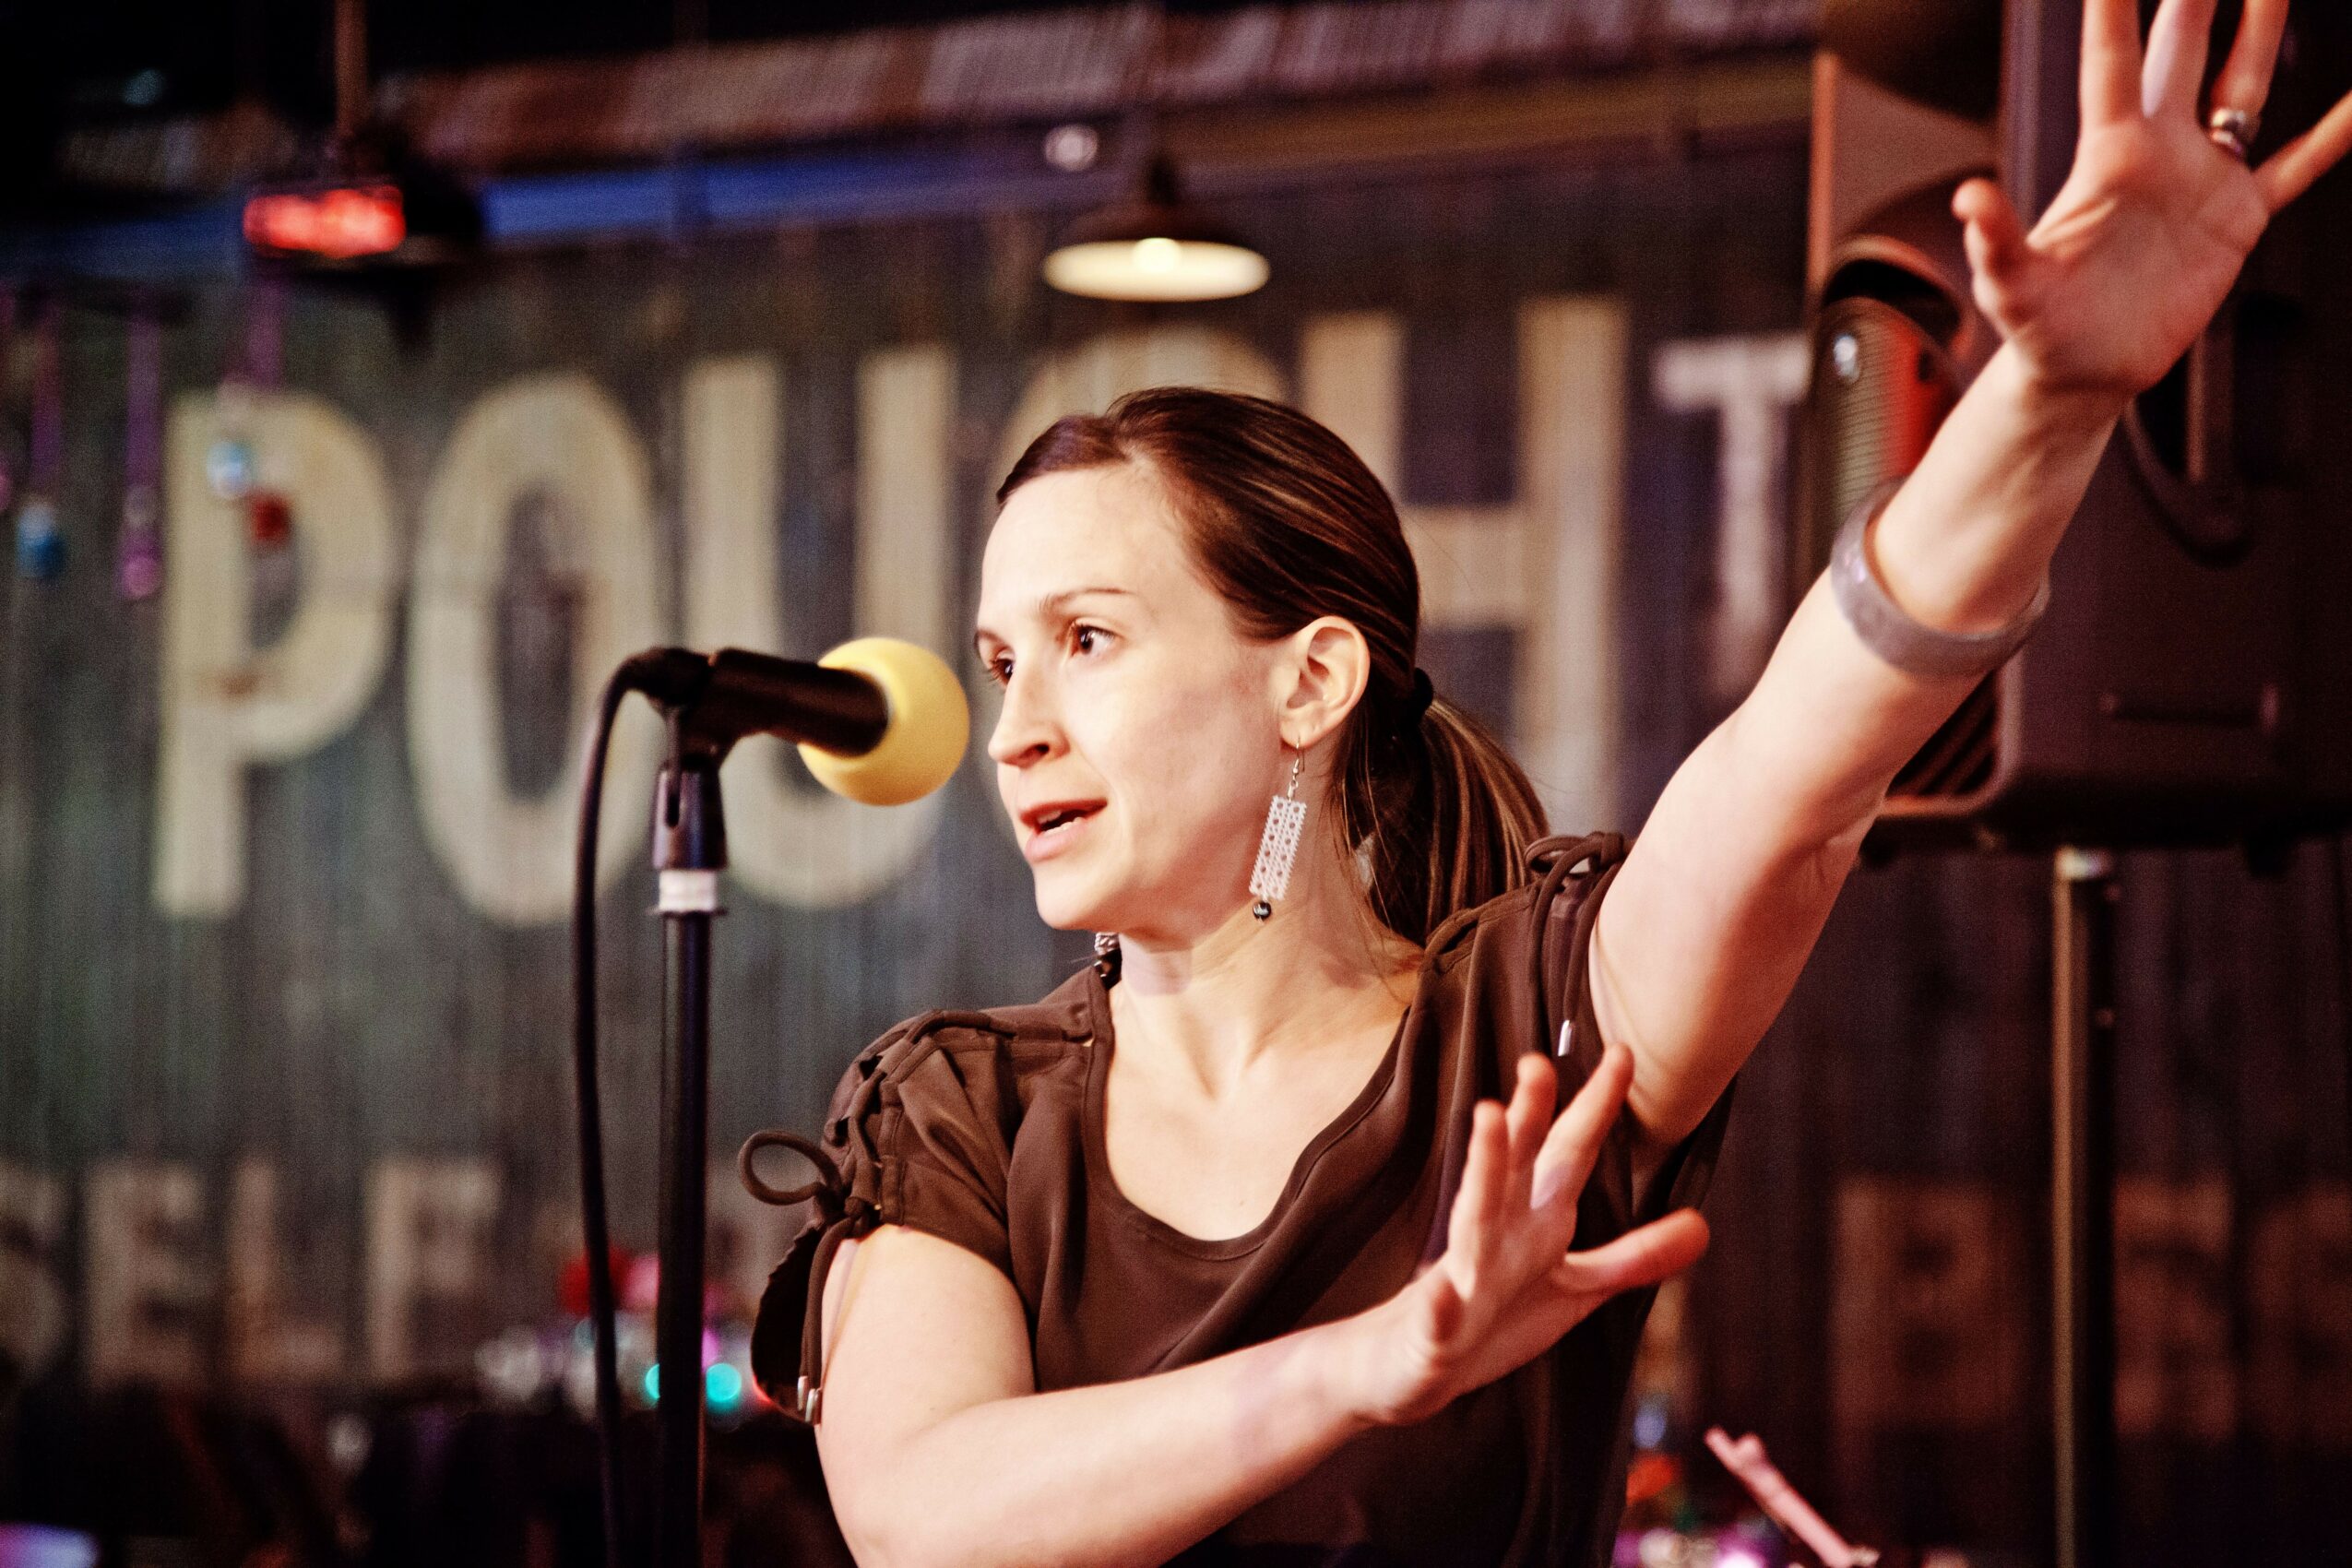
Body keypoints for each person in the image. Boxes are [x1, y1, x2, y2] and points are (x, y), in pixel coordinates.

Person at [746, 4, 2352, 1563]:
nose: (1014, 725)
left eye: (1086, 638)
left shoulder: (1533, 1031)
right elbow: (928, 1518)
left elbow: (1814, 747)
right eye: (1002, 659)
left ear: (1309, 680)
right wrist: (1372, 1363)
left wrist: (2044, 405)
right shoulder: (959, 1111)